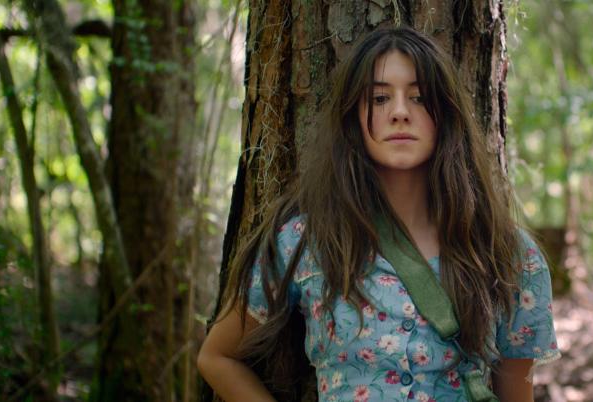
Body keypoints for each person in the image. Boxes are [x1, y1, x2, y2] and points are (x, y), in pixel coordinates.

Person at [197, 26, 559, 402]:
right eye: (380, 98)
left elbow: (517, 392)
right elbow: (217, 357)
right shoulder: (307, 241)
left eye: (419, 98)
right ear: (353, 116)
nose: (400, 112)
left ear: (446, 116)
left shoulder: (508, 254)